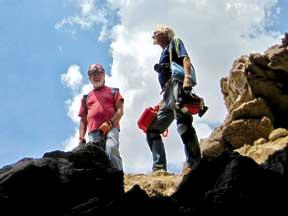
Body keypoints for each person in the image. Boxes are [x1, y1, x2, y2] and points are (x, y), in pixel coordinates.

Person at [146, 25, 201, 174]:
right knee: (152, 130)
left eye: (157, 33)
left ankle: (194, 162)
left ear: (165, 33)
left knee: (183, 124)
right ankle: (159, 168)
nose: (155, 36)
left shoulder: (175, 42)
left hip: (178, 86)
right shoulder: (163, 52)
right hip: (167, 93)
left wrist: (187, 78)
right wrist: (161, 102)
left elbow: (185, 58)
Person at [78, 64, 124, 171]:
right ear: (89, 78)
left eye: (98, 73)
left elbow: (120, 111)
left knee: (111, 148)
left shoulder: (114, 92)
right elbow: (83, 120)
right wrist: (81, 137)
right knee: (96, 158)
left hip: (111, 127)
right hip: (94, 132)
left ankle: (118, 178)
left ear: (103, 75)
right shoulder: (86, 98)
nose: (96, 76)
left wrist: (110, 123)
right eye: (92, 74)